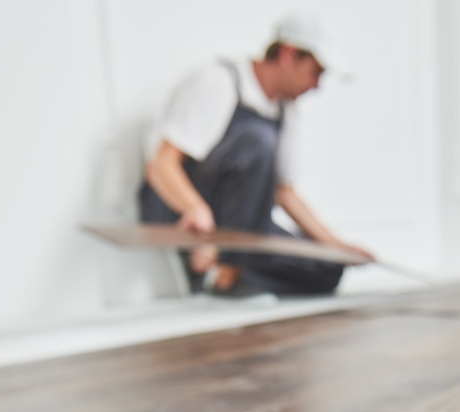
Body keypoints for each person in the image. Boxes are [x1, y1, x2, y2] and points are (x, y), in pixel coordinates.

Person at [138, 11, 374, 296]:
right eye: (316, 71)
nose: (317, 85)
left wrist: (336, 246)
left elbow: (284, 192)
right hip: (178, 208)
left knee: (326, 269)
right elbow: (162, 165)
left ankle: (225, 270)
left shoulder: (287, 109)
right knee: (257, 141)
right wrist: (195, 210)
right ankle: (226, 272)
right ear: (289, 54)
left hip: (244, 222)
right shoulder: (218, 80)